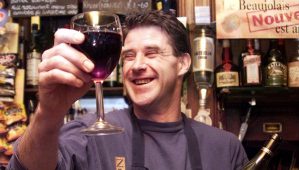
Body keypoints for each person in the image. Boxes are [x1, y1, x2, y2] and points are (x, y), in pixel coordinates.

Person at [8, 10, 248, 170]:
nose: (137, 65)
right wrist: (49, 112)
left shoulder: (225, 148)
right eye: (129, 56)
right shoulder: (88, 135)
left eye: (152, 53)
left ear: (183, 63)